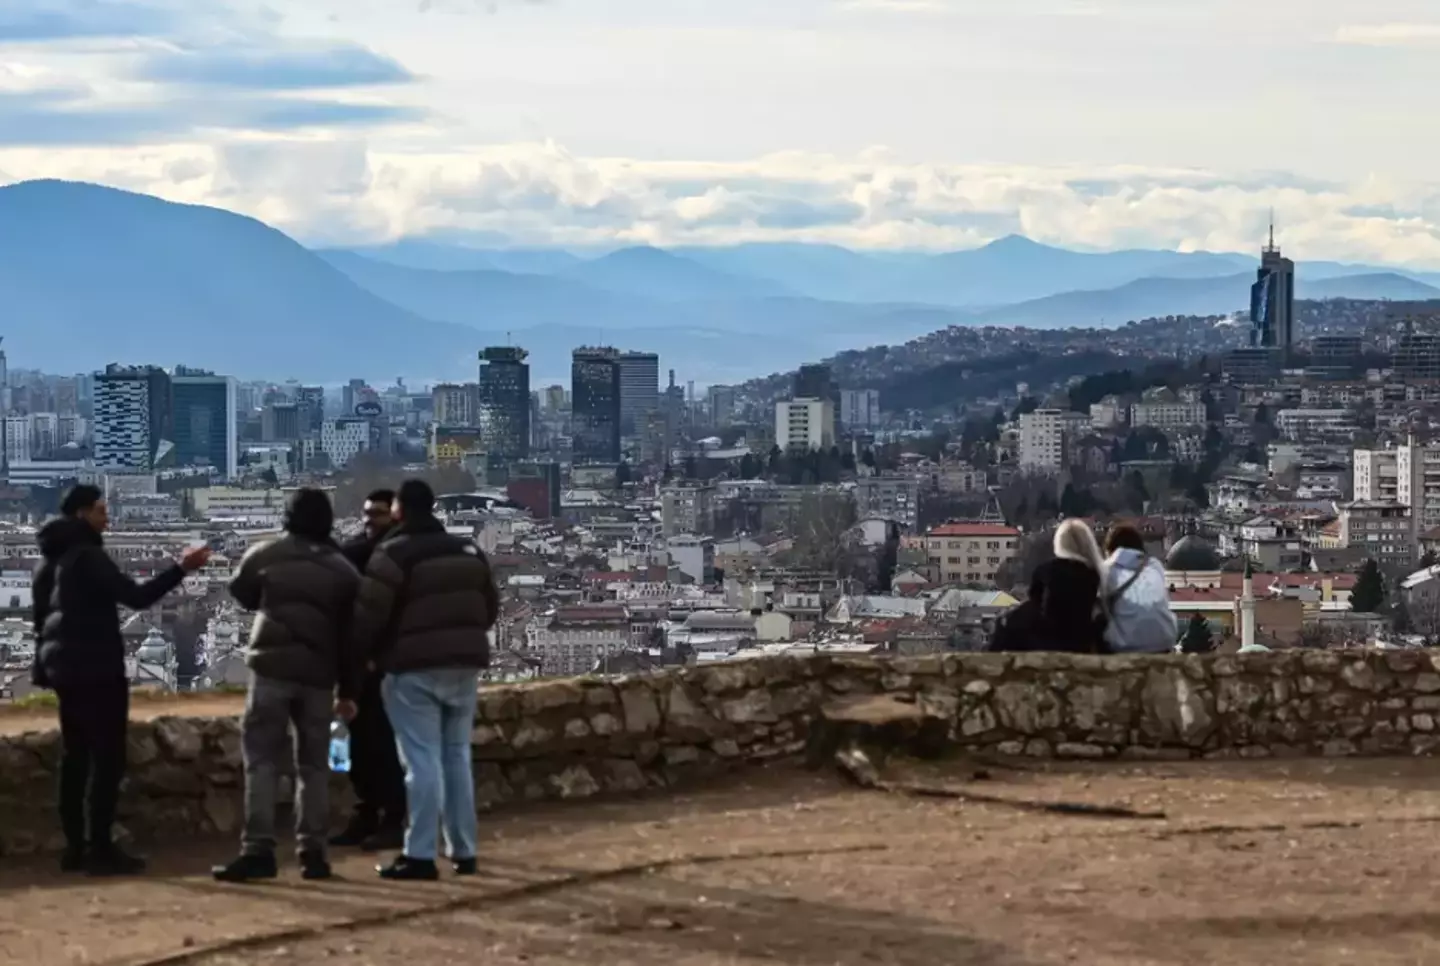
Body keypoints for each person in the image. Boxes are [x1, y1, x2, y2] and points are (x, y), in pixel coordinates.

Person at [31, 484, 211, 875]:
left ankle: (75, 848)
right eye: (99, 511)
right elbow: (137, 597)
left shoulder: (49, 561)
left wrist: (43, 668)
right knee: (108, 760)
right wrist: (182, 568)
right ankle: (101, 849)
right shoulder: (89, 557)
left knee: (74, 758)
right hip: (96, 667)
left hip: (65, 669)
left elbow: (40, 622)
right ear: (81, 515)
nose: (106, 518)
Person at [352, 480, 499, 881]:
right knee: (456, 757)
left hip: (412, 668)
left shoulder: (393, 555)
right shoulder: (468, 550)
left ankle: (419, 854)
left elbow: (369, 616)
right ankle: (463, 850)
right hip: (464, 666)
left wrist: (363, 660)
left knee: (420, 761)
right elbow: (489, 609)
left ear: (398, 511)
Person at [213, 489, 363, 883]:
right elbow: (352, 638)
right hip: (318, 675)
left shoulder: (265, 554)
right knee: (313, 766)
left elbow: (241, 592)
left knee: (261, 760)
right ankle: (313, 853)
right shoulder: (344, 570)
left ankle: (258, 850)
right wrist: (349, 691)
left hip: (271, 667)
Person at [331, 488, 407, 851]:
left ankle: (392, 817)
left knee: (384, 745)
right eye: (366, 513)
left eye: (377, 513)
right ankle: (368, 814)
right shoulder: (356, 554)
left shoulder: (390, 556)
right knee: (364, 743)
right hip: (362, 664)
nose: (368, 520)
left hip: (388, 663)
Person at [989, 519, 1107, 653]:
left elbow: (1034, 600)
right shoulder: (1093, 575)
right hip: (1078, 642)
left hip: (1042, 640)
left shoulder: (1046, 570)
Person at [1100, 523, 1177, 653]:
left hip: (1126, 646)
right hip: (1164, 641)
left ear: (1110, 549)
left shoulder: (1107, 569)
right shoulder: (1155, 565)